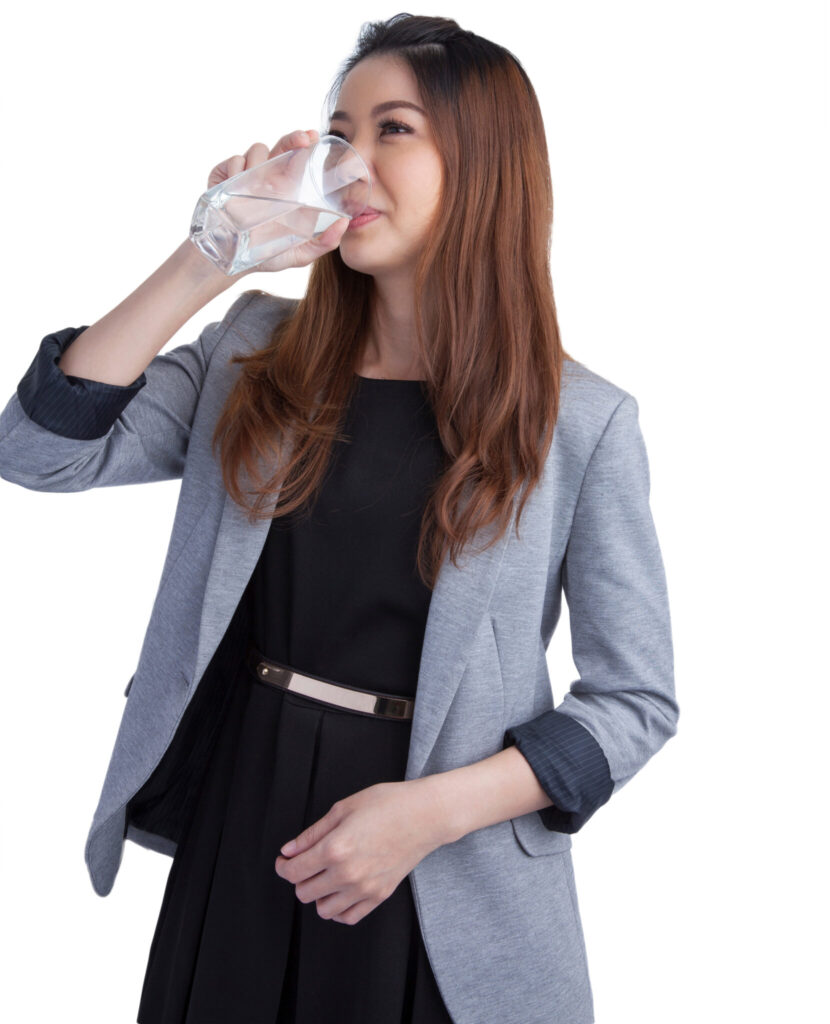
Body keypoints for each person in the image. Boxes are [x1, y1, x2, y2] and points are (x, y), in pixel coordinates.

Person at [0, 13, 679, 1024]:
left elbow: (635, 701)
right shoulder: (256, 352)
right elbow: (39, 450)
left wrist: (427, 815)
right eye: (337, 130)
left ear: (484, 163)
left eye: (392, 129)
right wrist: (208, 258)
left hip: (439, 852)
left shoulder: (582, 422)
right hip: (248, 813)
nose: (346, 162)